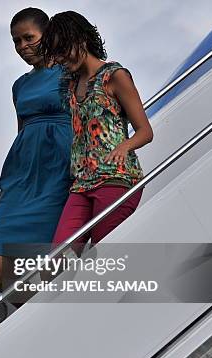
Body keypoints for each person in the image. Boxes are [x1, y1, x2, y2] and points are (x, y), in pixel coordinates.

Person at [0, 8, 73, 290]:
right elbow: (22, 138)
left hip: (59, 173)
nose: (22, 47)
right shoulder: (20, 85)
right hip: (22, 180)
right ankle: (40, 320)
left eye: (28, 38)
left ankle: (46, 323)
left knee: (46, 263)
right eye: (16, 41)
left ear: (48, 34)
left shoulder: (71, 72)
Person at [41, 11, 153, 252]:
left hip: (116, 178)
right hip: (82, 183)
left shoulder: (115, 76)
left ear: (81, 39)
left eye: (63, 49)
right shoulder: (69, 86)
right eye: (55, 53)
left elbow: (145, 131)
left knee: (103, 257)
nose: (60, 58)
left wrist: (124, 146)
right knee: (58, 256)